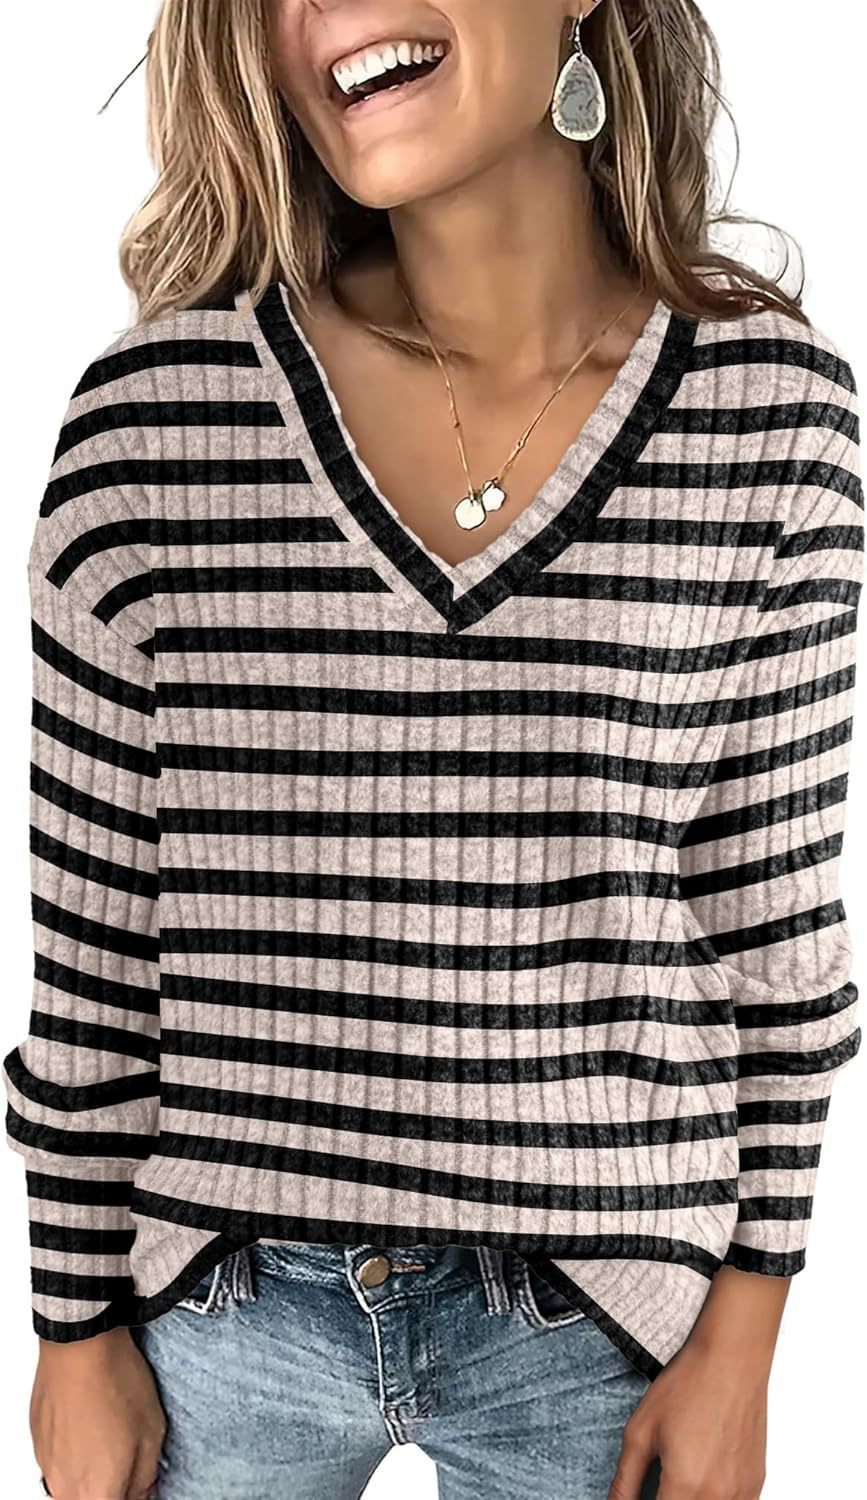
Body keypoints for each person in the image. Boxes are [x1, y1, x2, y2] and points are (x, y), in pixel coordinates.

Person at [3, 2, 862, 1498]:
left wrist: (747, 1343)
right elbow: (93, 951)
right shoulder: (153, 426)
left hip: (600, 1322)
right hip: (223, 1311)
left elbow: (773, 933)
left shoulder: (771, 420)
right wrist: (70, 1329)